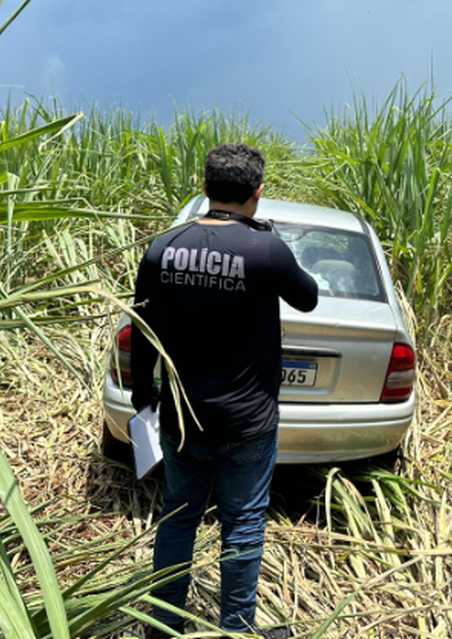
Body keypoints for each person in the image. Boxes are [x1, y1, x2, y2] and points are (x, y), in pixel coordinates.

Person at [131, 143, 318, 638]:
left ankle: (162, 626)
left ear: (203, 187)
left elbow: (143, 327)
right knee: (243, 524)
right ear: (258, 193)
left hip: (181, 417)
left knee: (178, 519)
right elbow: (308, 298)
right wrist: (273, 241)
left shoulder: (162, 247)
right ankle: (237, 629)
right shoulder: (266, 249)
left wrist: (141, 393)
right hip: (247, 422)